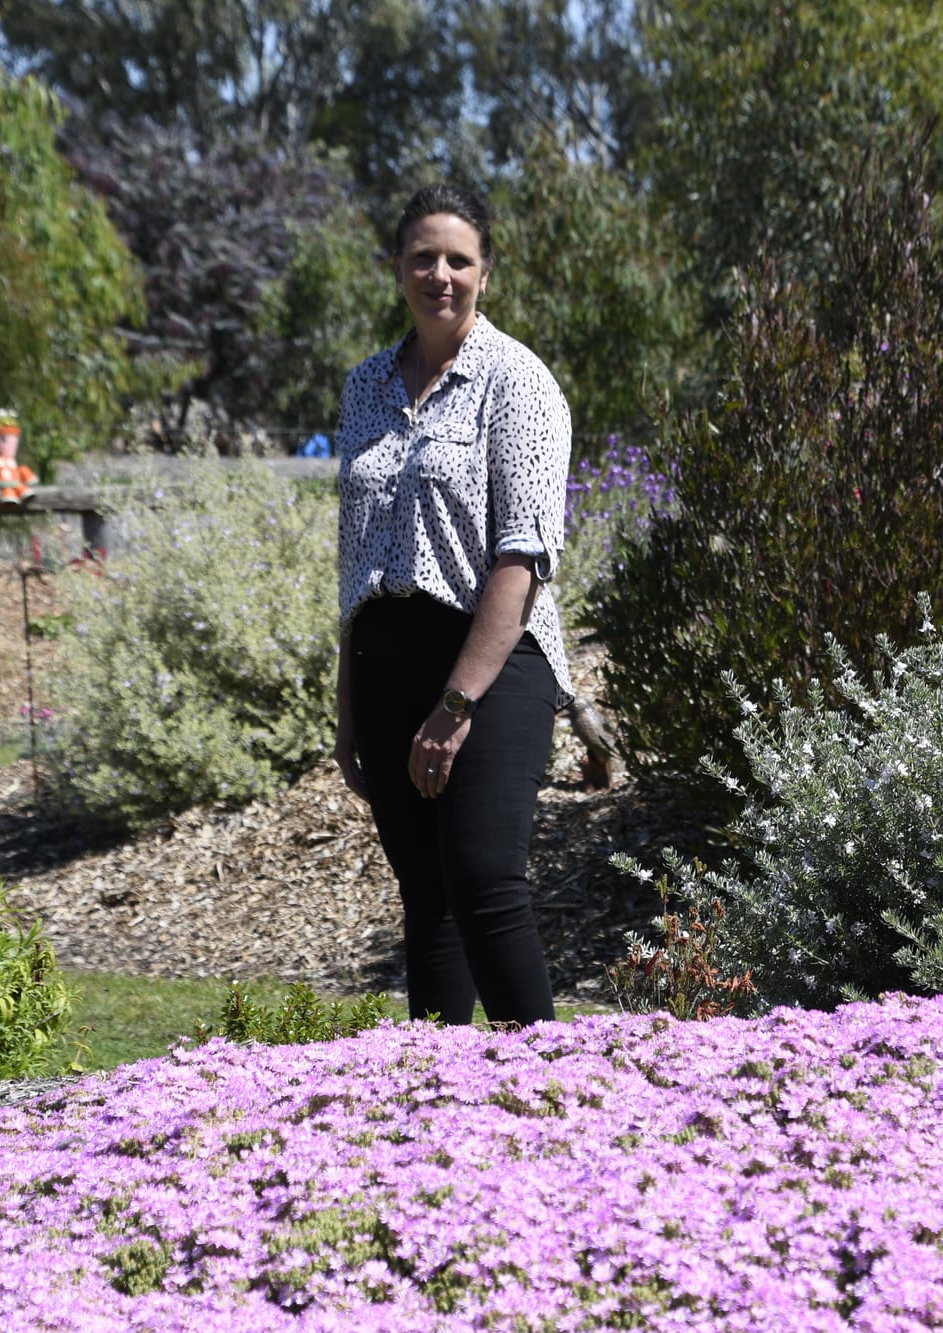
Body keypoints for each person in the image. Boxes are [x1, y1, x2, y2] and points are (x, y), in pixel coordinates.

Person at [332, 183, 573, 1027]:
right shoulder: (364, 388)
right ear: (396, 267)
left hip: (493, 661)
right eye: (422, 257)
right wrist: (348, 700)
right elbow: (355, 552)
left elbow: (525, 553)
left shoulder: (520, 382)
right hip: (385, 659)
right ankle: (440, 1122)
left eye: (458, 259)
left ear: (485, 272)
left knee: (482, 881)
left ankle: (552, 1093)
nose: (440, 274)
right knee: (425, 896)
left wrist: (456, 702)